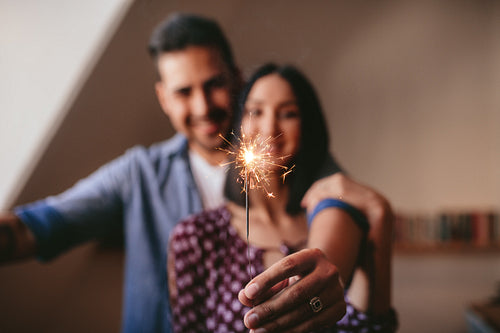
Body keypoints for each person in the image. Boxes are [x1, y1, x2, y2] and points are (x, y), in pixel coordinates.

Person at [0, 13, 393, 333]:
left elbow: (332, 216)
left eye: (214, 85)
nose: (203, 106)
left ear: (237, 79)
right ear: (163, 98)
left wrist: (316, 281)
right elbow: (40, 225)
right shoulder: (140, 173)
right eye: (184, 92)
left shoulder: (290, 159)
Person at [168, 63, 397, 332]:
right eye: (255, 111)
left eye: (288, 113)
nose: (269, 127)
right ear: (239, 123)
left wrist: (381, 215)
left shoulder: (333, 221)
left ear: (307, 126)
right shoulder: (196, 237)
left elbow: (370, 327)